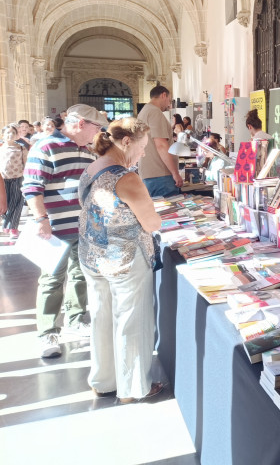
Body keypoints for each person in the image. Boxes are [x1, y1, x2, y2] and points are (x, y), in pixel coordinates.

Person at [78, 118, 164, 403]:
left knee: (101, 317)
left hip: (92, 253)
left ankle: (103, 381)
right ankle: (133, 387)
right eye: (142, 148)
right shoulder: (127, 178)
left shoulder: (91, 168)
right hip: (124, 259)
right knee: (131, 321)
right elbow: (151, 224)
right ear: (126, 142)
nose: (142, 154)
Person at [22, 104, 109, 358]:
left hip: (83, 226)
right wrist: (41, 219)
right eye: (97, 128)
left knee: (80, 274)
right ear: (80, 124)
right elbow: (32, 186)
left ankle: (76, 318)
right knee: (51, 280)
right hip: (55, 228)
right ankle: (47, 331)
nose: (99, 133)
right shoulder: (46, 146)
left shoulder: (87, 150)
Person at [137, 85, 183, 197]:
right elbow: (161, 145)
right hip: (160, 174)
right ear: (163, 95)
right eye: (169, 100)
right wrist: (175, 173)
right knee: (169, 212)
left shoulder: (144, 111)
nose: (169, 104)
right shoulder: (154, 112)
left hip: (151, 173)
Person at [0, 124, 28, 230]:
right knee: (4, 205)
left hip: (17, 179)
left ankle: (12, 227)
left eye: (13, 133)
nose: (10, 135)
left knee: (15, 204)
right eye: (8, 132)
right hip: (2, 180)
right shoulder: (1, 148)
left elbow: (26, 164)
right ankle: (7, 223)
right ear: (3, 135)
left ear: (17, 135)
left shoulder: (21, 148)